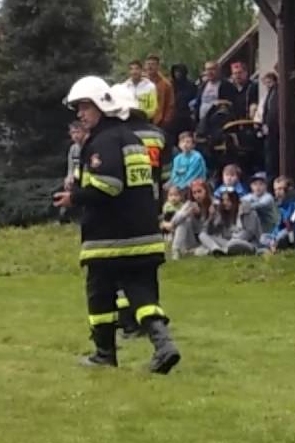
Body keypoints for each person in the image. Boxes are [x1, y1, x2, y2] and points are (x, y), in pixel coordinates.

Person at [52, 76, 181, 374]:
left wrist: (74, 197)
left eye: (84, 107)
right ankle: (164, 346)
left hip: (110, 239)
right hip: (144, 234)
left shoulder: (103, 142)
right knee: (142, 295)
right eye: (78, 109)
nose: (80, 114)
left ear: (101, 106)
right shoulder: (132, 139)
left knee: (100, 294)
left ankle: (104, 354)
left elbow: (108, 185)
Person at [200, 189, 260, 256]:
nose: (225, 203)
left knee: (233, 243)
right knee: (202, 235)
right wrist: (211, 218)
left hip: (247, 243)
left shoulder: (248, 211)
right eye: (223, 200)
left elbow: (250, 233)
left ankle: (223, 250)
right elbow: (210, 232)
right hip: (229, 242)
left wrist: (235, 238)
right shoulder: (223, 212)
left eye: (228, 200)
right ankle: (216, 249)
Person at [242, 172, 277, 239]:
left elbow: (261, 204)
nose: (258, 187)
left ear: (266, 186)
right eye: (255, 184)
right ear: (251, 186)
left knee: (251, 211)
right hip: (257, 229)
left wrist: (244, 206)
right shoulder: (250, 196)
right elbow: (240, 202)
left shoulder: (268, 197)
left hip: (269, 229)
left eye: (261, 184)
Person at [145, 55, 174, 133]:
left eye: (153, 64)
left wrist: (165, 120)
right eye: (148, 64)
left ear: (158, 66)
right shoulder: (140, 82)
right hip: (142, 119)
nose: (150, 67)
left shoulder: (165, 84)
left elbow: (170, 104)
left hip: (158, 121)